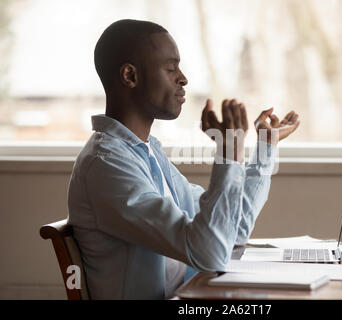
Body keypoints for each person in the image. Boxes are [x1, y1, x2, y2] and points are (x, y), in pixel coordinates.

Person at [67, 19, 300, 299]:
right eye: (170, 68)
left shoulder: (146, 152)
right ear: (130, 76)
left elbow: (232, 231)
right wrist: (229, 154)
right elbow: (210, 254)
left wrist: (265, 147)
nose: (183, 78)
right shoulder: (107, 166)